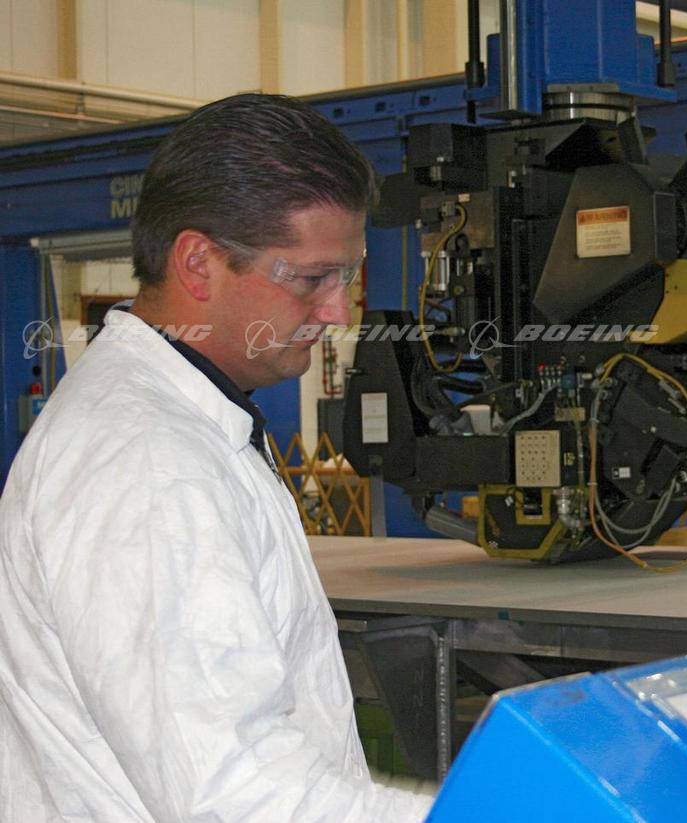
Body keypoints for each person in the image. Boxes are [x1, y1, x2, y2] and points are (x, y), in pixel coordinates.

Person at [0, 94, 434, 822]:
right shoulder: (146, 464)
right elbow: (235, 794)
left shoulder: (187, 421)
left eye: (348, 276)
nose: (338, 312)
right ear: (199, 263)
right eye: (311, 278)